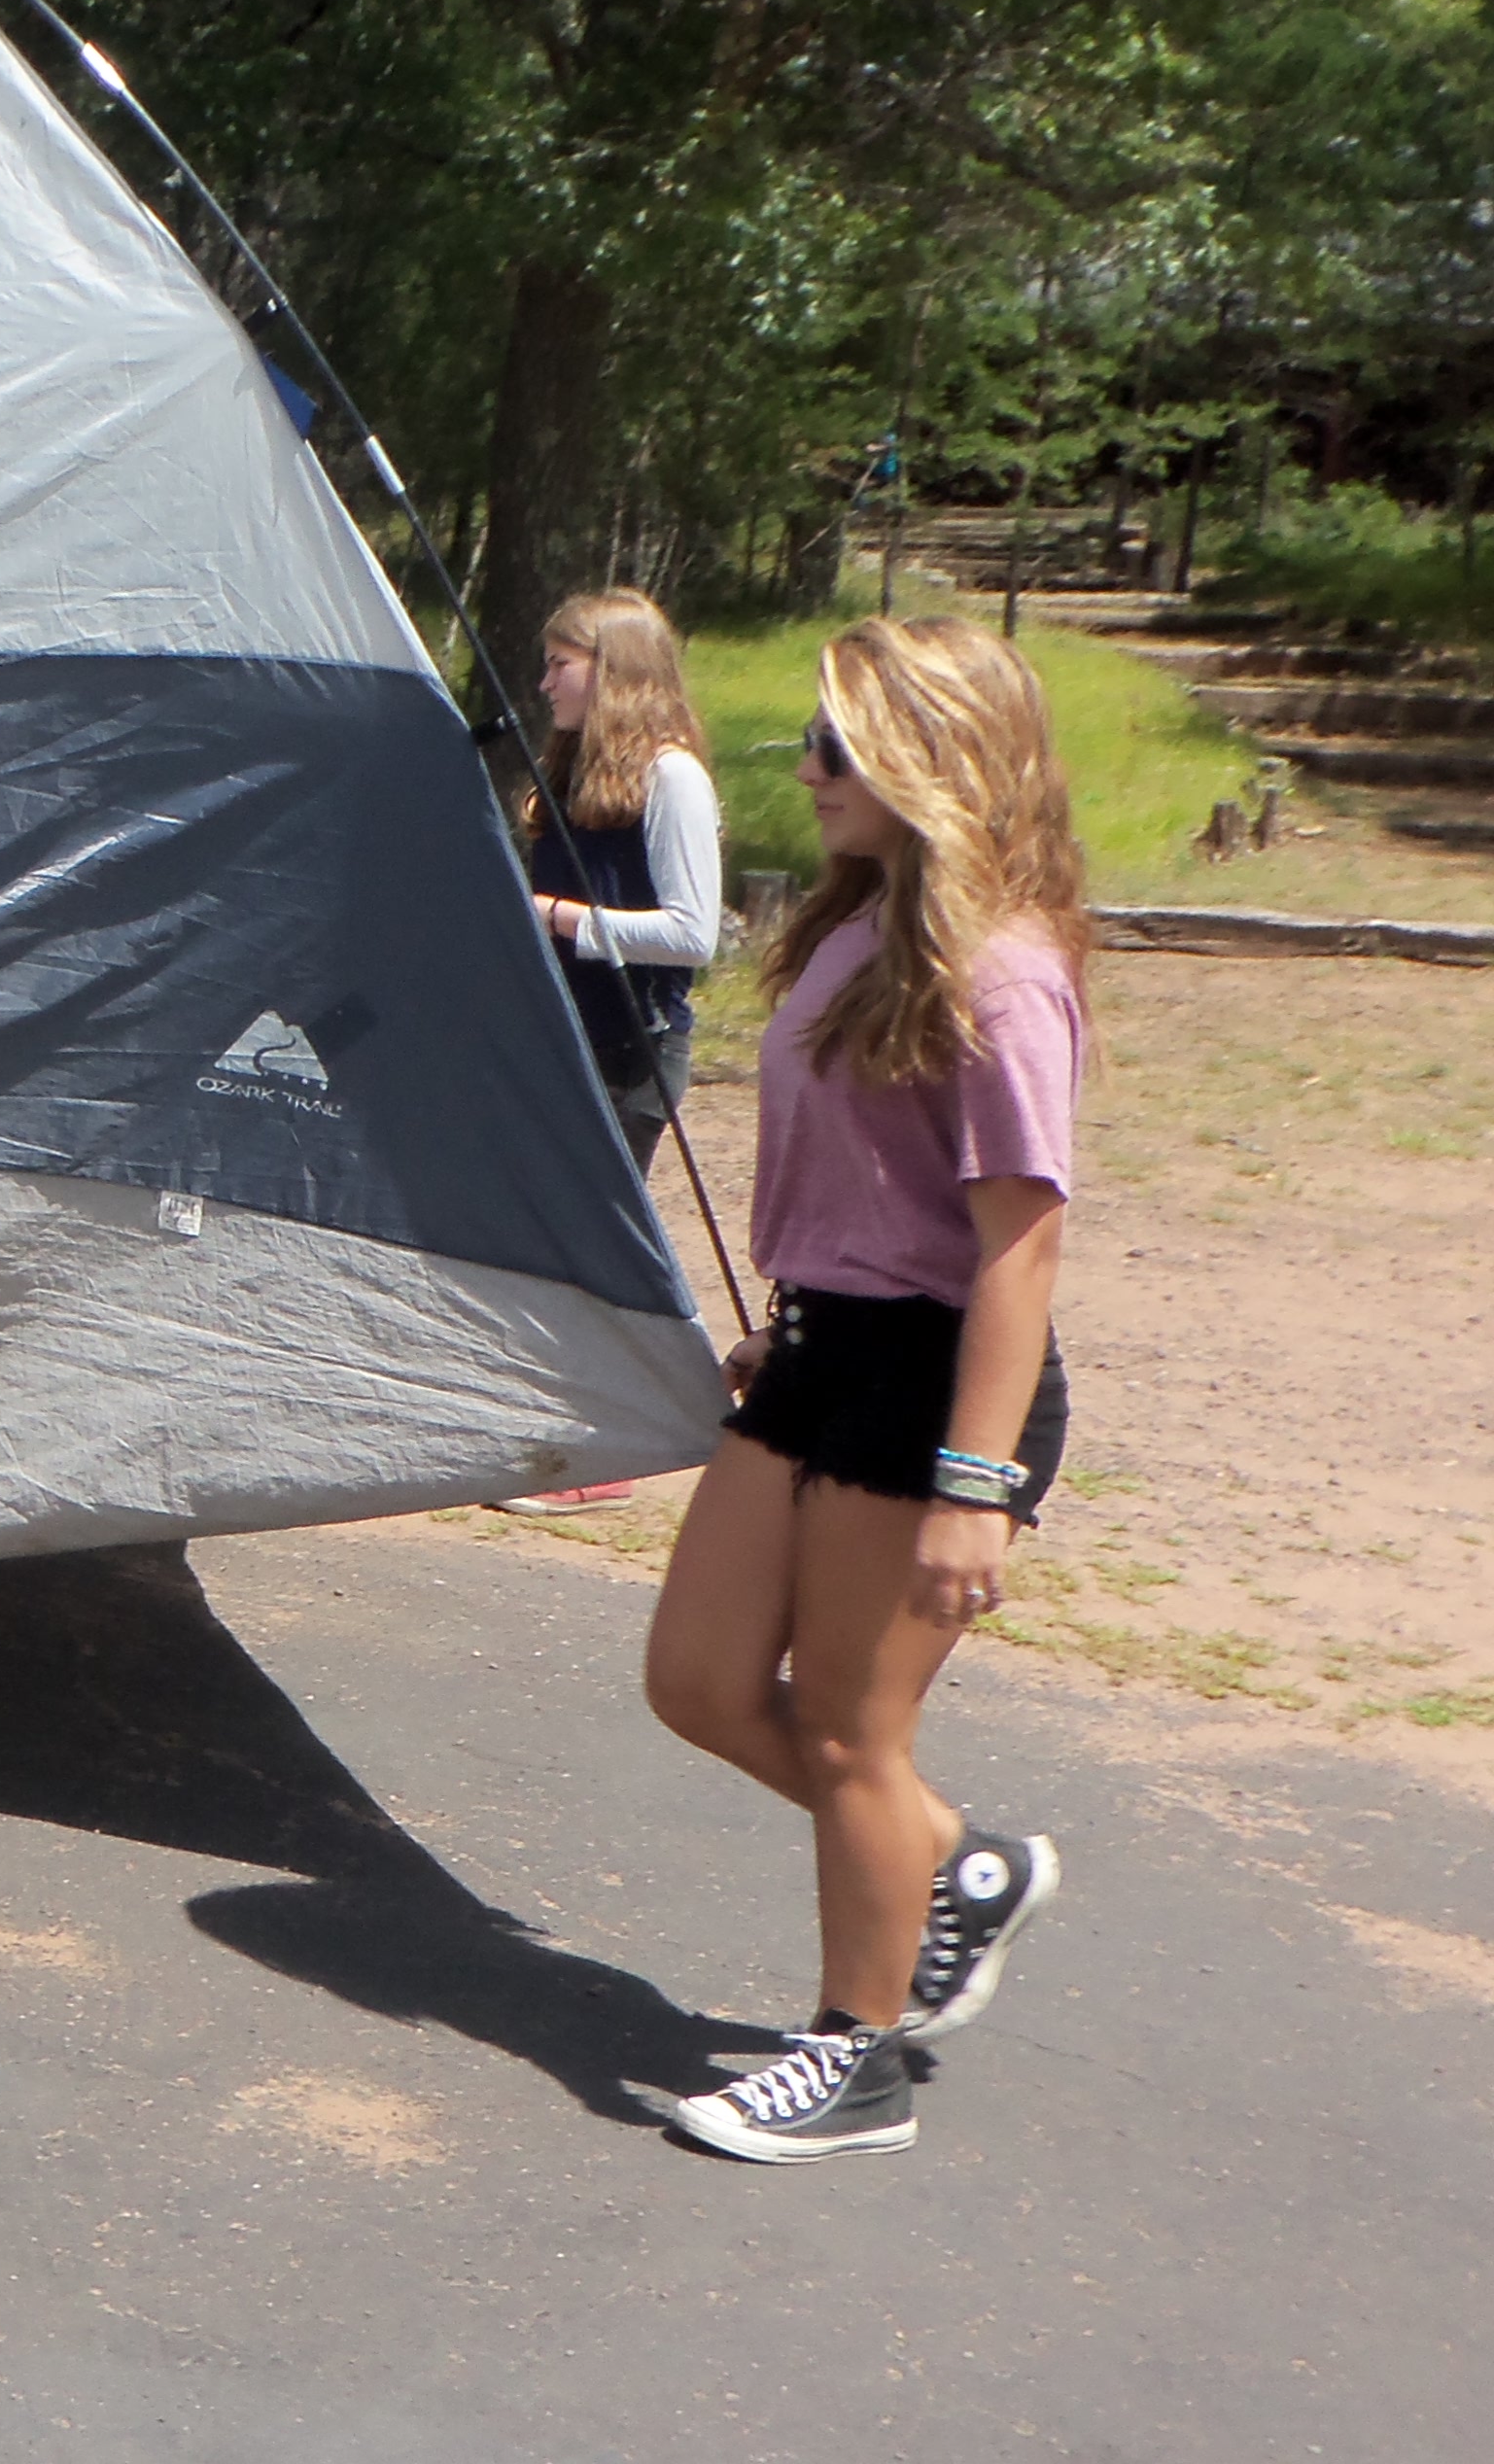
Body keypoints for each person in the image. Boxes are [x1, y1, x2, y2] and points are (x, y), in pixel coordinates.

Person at [641, 614, 1084, 2161]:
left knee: (847, 1734)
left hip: (933, 1383)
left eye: (837, 743)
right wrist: (792, 1310)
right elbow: (860, 1179)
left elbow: (1021, 1246)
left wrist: (977, 1484)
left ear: (932, 754)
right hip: (821, 1347)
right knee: (698, 1679)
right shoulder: (853, 926)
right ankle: (954, 1866)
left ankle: (857, 2059)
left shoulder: (1003, 970)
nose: (808, 767)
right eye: (813, 739)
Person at [504, 585, 722, 1510]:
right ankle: (547, 1430)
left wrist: (558, 917)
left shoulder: (672, 778)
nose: (546, 682)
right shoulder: (570, 772)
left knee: (600, 1242)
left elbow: (692, 934)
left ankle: (606, 1454)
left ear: (614, 672)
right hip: (569, 1041)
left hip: (634, 1049)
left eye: (562, 664)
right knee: (549, 1229)